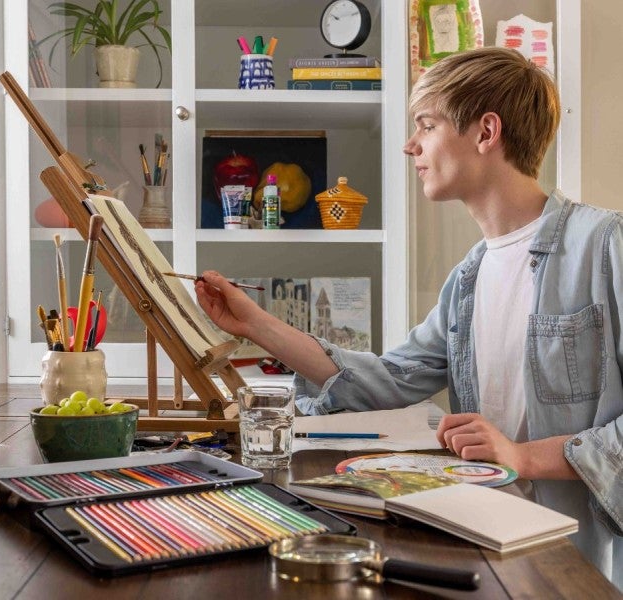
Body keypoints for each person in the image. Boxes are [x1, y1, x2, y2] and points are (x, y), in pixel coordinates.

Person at [194, 47, 621, 589]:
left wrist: (523, 458)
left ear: (486, 132)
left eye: (427, 124)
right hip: (487, 546)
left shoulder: (606, 244)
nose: (410, 145)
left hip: (576, 564)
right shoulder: (469, 277)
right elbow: (388, 379)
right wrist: (256, 325)